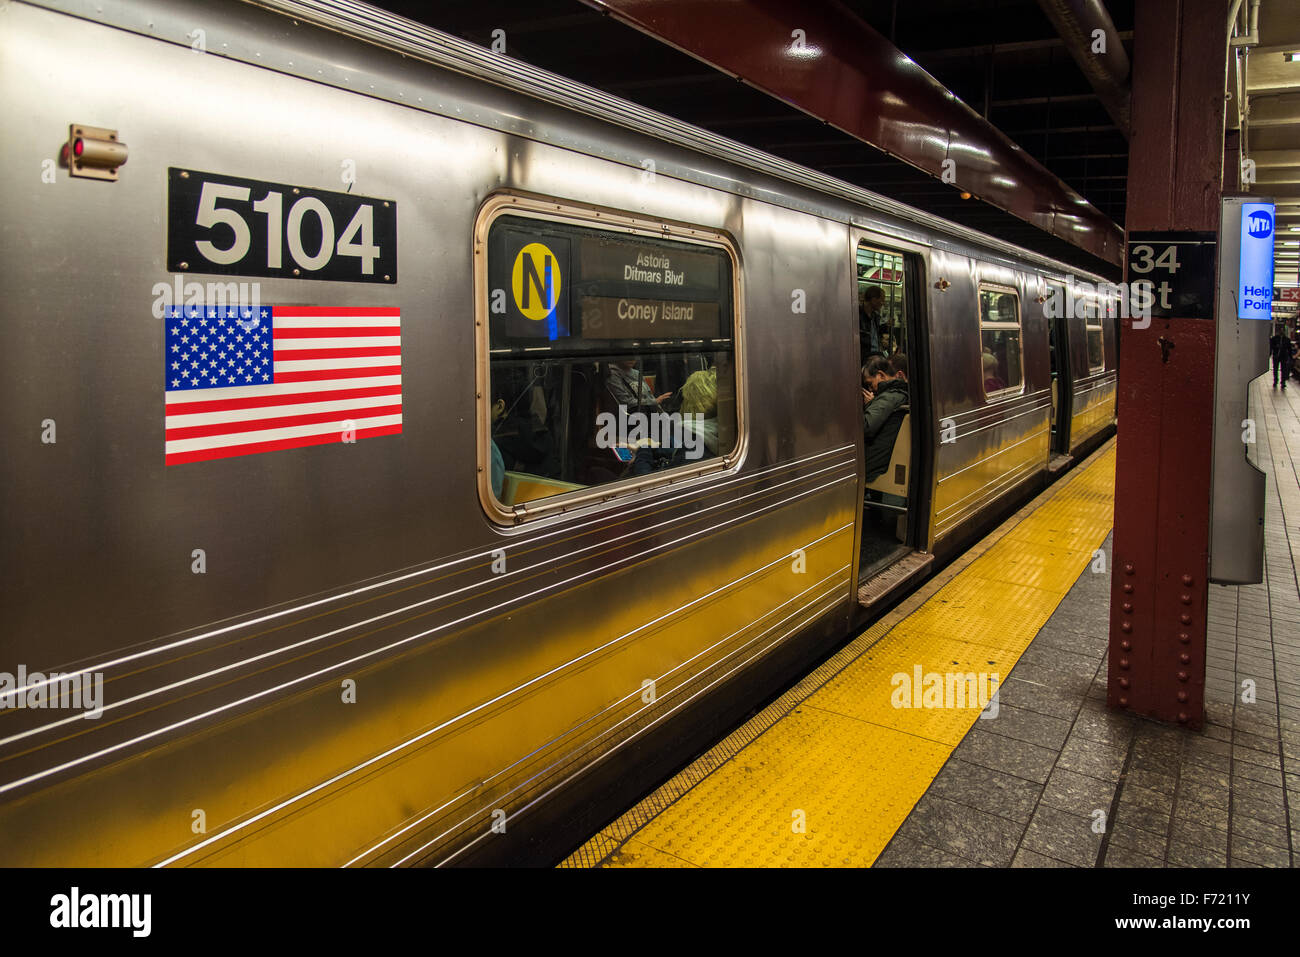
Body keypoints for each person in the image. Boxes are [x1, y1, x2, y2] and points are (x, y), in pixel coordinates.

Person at [863, 353, 909, 483]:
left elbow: (866, 427)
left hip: (874, 469)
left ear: (881, 375)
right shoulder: (896, 394)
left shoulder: (890, 397)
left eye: (870, 384)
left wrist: (871, 404)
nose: (870, 389)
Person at [606, 358, 671, 412]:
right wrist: (654, 401)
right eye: (627, 355)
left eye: (633, 355)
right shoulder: (613, 375)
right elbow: (625, 402)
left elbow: (649, 395)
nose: (631, 359)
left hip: (648, 412)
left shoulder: (637, 373)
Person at [859, 285, 886, 363]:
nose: (883, 303)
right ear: (874, 300)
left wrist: (886, 326)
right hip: (865, 357)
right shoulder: (858, 316)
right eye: (882, 300)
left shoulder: (875, 317)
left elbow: (875, 333)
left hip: (875, 354)